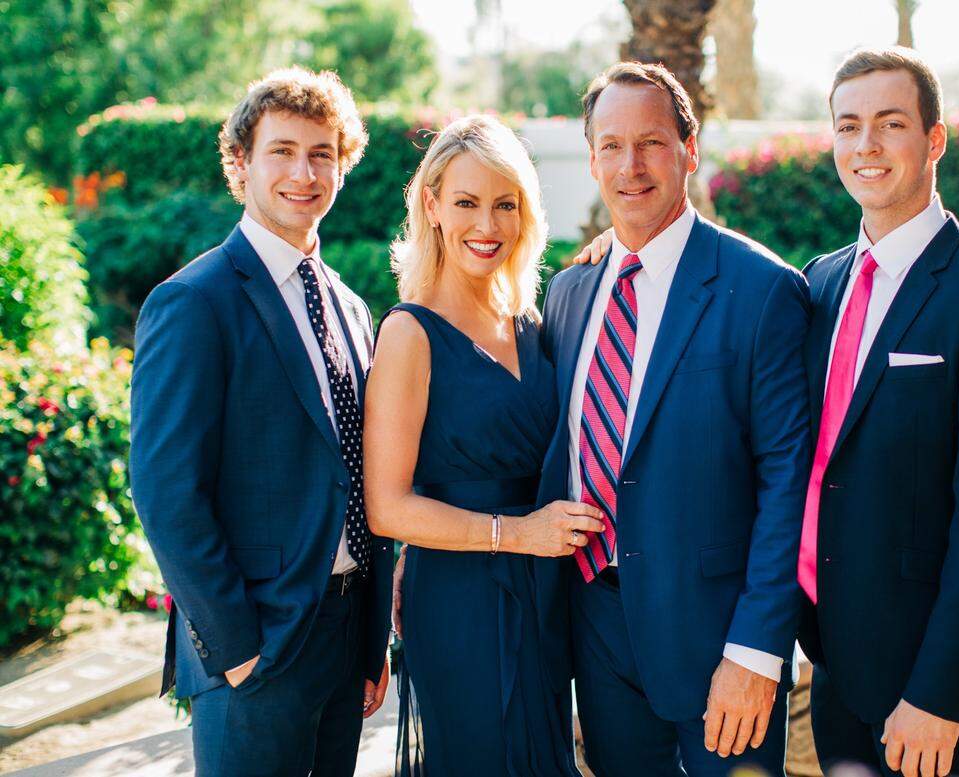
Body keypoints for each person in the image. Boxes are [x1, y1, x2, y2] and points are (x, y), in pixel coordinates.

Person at [535, 62, 812, 777]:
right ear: (591, 155)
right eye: (612, 145)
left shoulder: (763, 290)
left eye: (652, 143)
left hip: (719, 638)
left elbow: (789, 483)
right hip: (596, 625)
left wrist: (755, 651)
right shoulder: (569, 294)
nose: (631, 166)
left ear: (690, 149)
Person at [796, 47, 959, 777]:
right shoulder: (821, 283)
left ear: (934, 140)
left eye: (890, 123)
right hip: (838, 661)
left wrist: (940, 694)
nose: (866, 146)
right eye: (848, 127)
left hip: (937, 686)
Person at [130, 67, 392, 776]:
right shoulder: (193, 301)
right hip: (258, 646)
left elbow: (356, 473)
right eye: (282, 151)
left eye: (323, 153)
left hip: (346, 637)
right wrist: (238, 647)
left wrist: (371, 641)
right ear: (240, 162)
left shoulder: (351, 307)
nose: (303, 172)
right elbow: (164, 491)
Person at [363, 114, 604, 776]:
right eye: (467, 202)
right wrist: (517, 533)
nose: (487, 225)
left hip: (545, 590)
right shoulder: (409, 333)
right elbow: (387, 507)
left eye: (505, 204)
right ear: (433, 206)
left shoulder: (532, 322)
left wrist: (617, 249)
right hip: (463, 600)